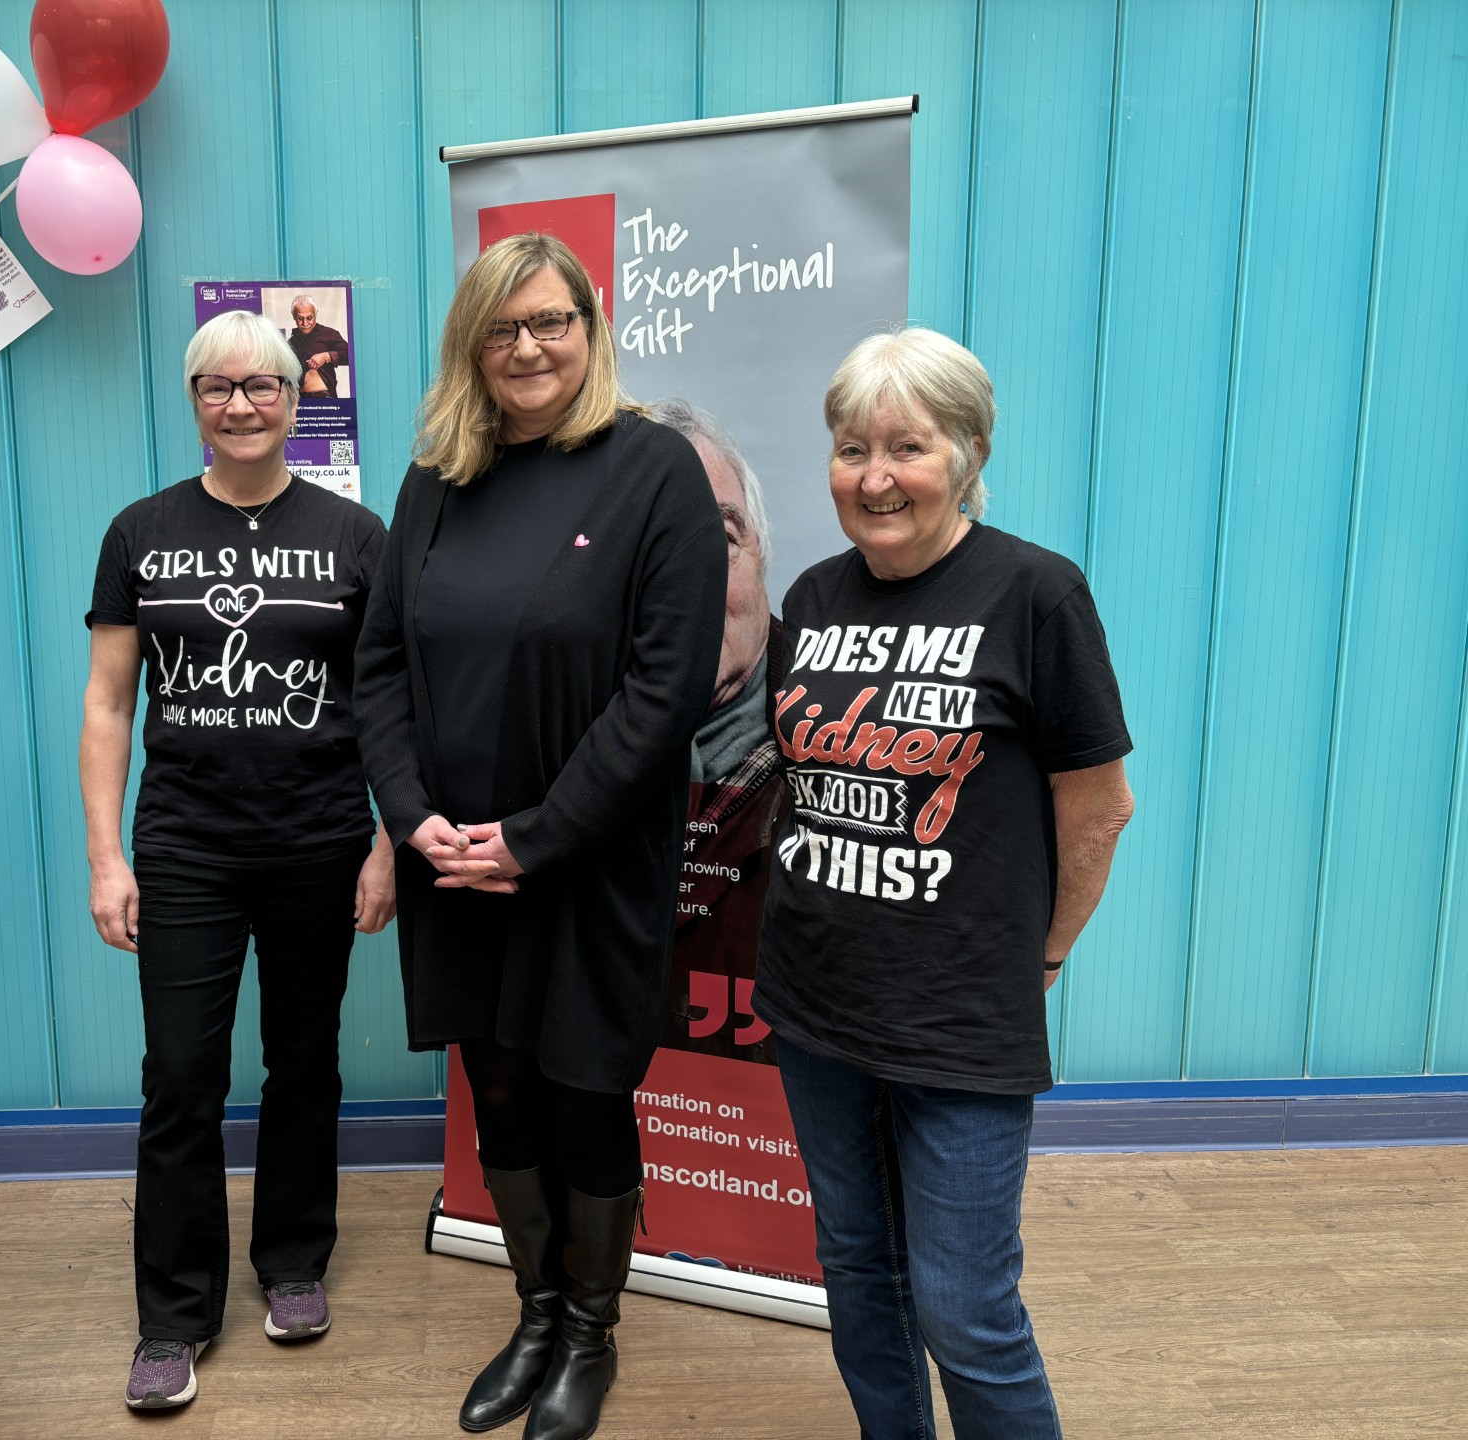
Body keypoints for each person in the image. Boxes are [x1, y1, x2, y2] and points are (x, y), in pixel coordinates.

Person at [355, 232, 726, 1440]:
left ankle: (590, 1332)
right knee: (495, 1081)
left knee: (580, 1088)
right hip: (453, 858)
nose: (528, 346)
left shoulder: (652, 469)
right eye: (503, 327)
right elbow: (379, 671)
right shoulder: (431, 482)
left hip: (584, 861)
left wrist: (534, 837)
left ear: (590, 328)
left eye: (551, 321)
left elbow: (663, 690)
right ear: (473, 341)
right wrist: (415, 822)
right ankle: (532, 1312)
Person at [757, 327, 1135, 1439]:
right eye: (850, 448)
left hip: (962, 1018)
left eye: (907, 448)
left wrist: (1046, 956)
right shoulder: (814, 599)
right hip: (816, 1005)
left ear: (966, 452)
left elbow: (1100, 806)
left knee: (968, 1311)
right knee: (858, 1277)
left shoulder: (1036, 595)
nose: (875, 478)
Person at [80, 308, 395, 1412]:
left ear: (296, 401)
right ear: (194, 403)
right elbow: (110, 701)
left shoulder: (358, 538)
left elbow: (397, 706)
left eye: (262, 386)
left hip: (319, 844)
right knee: (181, 1077)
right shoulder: (140, 533)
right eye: (218, 387)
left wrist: (390, 844)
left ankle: (295, 1264)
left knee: (304, 1064)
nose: (242, 404)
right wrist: (105, 858)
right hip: (187, 851)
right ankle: (172, 1317)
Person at [649, 398, 785, 1064]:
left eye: (720, 541)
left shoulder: (856, 740)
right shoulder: (540, 742)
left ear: (763, 560)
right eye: (646, 554)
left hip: (772, 1151)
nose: (690, 583)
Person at [287, 294, 349, 397]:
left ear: (315, 314)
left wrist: (327, 356)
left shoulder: (329, 334)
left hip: (325, 398)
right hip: (299, 401)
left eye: (309, 318)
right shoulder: (291, 343)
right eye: (300, 318)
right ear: (294, 316)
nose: (305, 323)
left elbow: (351, 355)